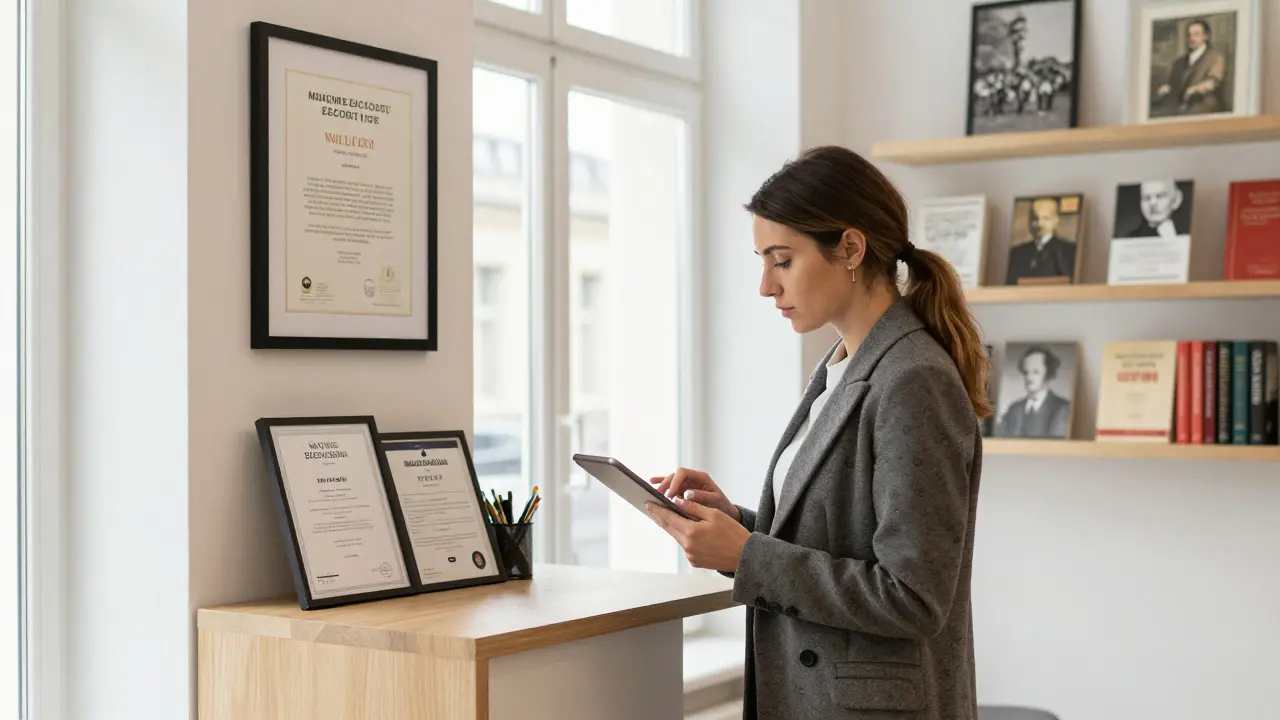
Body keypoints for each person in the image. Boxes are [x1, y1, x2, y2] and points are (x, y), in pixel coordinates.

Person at [644, 145, 989, 720]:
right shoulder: (842, 367)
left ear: (850, 248)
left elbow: (914, 598)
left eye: (781, 261)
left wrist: (748, 555)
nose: (765, 286)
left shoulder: (913, 380)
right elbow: (838, 542)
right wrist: (739, 525)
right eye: (762, 261)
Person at [997, 344, 1072, 438]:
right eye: (1026, 372)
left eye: (1036, 372)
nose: (1029, 378)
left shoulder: (1062, 408)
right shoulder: (1014, 409)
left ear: (1049, 374)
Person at [1005, 196, 1077, 284]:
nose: (1039, 224)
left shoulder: (1069, 250)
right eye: (1035, 218)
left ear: (1056, 220)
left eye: (1046, 218)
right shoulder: (1017, 253)